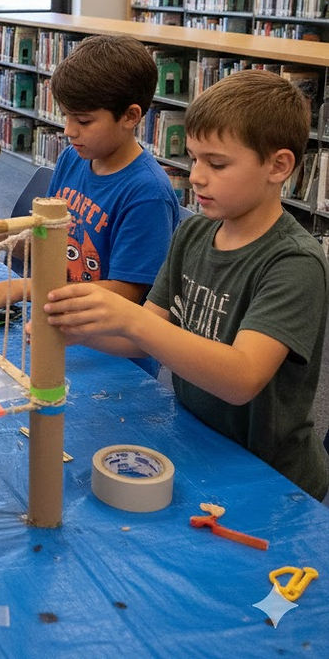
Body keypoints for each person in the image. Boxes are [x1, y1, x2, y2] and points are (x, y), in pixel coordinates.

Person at [44, 70, 329, 500]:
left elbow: (242, 377)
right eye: (194, 159)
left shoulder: (294, 262)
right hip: (198, 439)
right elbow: (146, 340)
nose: (195, 176)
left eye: (216, 164)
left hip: (268, 475)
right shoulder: (194, 233)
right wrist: (80, 329)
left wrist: (130, 320)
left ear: (279, 165)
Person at [0, 35, 180, 320]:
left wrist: (24, 288)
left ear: (130, 116)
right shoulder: (73, 158)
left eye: (83, 121)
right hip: (59, 318)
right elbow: (48, 238)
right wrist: (6, 238)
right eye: (65, 116)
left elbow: (126, 293)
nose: (68, 130)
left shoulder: (147, 193)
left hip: (111, 349)